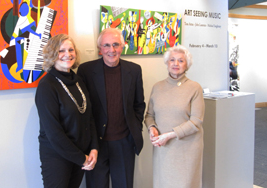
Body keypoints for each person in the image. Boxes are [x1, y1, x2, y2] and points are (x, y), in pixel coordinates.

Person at [77, 28, 146, 188]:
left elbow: (139, 105)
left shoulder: (134, 70)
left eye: (116, 45)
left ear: (122, 46)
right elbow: (83, 110)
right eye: (106, 45)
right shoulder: (86, 71)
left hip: (124, 143)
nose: (111, 50)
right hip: (96, 144)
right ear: (100, 49)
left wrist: (133, 129)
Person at [35, 34, 98, 188]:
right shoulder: (46, 86)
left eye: (71, 49)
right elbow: (54, 133)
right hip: (57, 157)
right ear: (52, 54)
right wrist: (82, 158)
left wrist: (94, 148)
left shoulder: (77, 80)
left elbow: (89, 118)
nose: (67, 54)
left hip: (81, 155)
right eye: (61, 51)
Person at [144, 45, 205, 188]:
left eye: (181, 61)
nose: (176, 64)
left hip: (187, 149)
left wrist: (169, 135)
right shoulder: (157, 87)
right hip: (163, 149)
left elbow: (196, 121)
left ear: (187, 65)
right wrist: (152, 128)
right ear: (166, 63)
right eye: (172, 60)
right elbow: (149, 115)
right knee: (163, 183)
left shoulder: (194, 88)